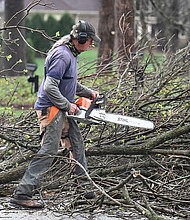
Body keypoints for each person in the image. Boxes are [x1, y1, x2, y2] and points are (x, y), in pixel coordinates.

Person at [10, 20, 101, 208]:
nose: (91, 44)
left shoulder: (71, 54)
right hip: (51, 109)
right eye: (90, 40)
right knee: (49, 150)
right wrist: (67, 105)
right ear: (81, 38)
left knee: (77, 145)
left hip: (61, 108)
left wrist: (89, 93)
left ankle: (84, 192)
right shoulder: (62, 55)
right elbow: (50, 86)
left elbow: (68, 83)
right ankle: (22, 194)